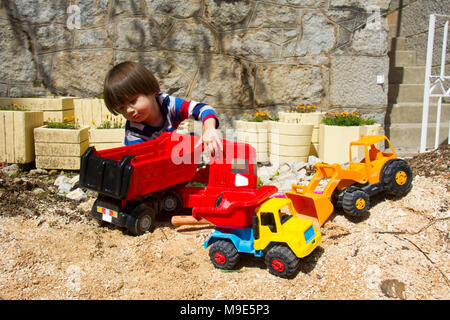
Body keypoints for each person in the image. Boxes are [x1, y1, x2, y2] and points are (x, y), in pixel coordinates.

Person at [103, 61, 221, 158]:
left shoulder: (168, 104)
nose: (128, 110)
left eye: (132, 101)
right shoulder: (134, 132)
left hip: (162, 151)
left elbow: (203, 108)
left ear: (150, 90)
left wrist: (209, 129)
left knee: (193, 138)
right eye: (122, 108)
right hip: (140, 165)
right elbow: (144, 165)